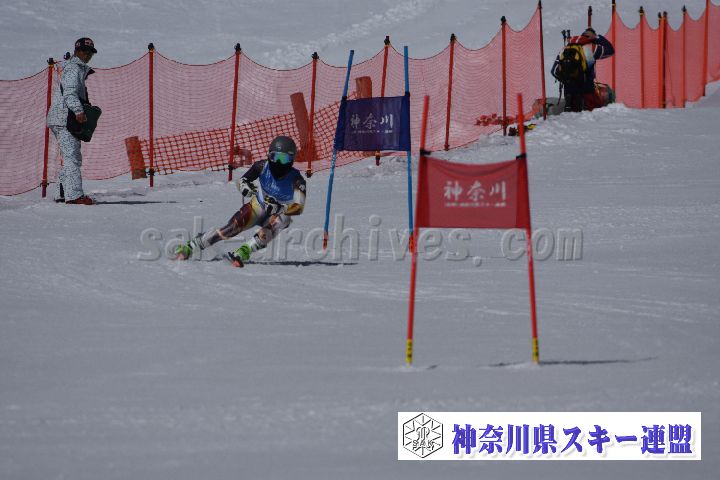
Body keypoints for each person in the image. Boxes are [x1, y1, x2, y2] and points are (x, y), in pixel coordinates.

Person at [175, 136, 307, 267]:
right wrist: (244, 187)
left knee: (282, 220)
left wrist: (280, 208)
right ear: (269, 156)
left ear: (292, 159)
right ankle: (191, 246)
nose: (279, 163)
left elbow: (299, 207)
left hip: (278, 213)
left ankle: (244, 251)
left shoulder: (297, 180)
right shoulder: (261, 166)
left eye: (284, 159)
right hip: (258, 206)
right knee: (230, 229)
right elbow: (242, 181)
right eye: (275, 157)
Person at [46, 37, 98, 204]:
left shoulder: (74, 67)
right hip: (64, 118)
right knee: (72, 157)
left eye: (90, 52)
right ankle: (74, 196)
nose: (87, 55)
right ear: (76, 51)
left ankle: (62, 192)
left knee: (70, 156)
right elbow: (69, 92)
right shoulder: (74, 68)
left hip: (60, 117)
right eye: (84, 51)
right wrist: (78, 111)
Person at [551, 27, 615, 112]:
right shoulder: (591, 48)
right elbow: (610, 50)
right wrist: (597, 37)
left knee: (571, 114)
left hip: (568, 93)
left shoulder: (565, 48)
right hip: (586, 90)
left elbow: (553, 70)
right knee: (590, 114)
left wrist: (568, 81)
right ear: (591, 37)